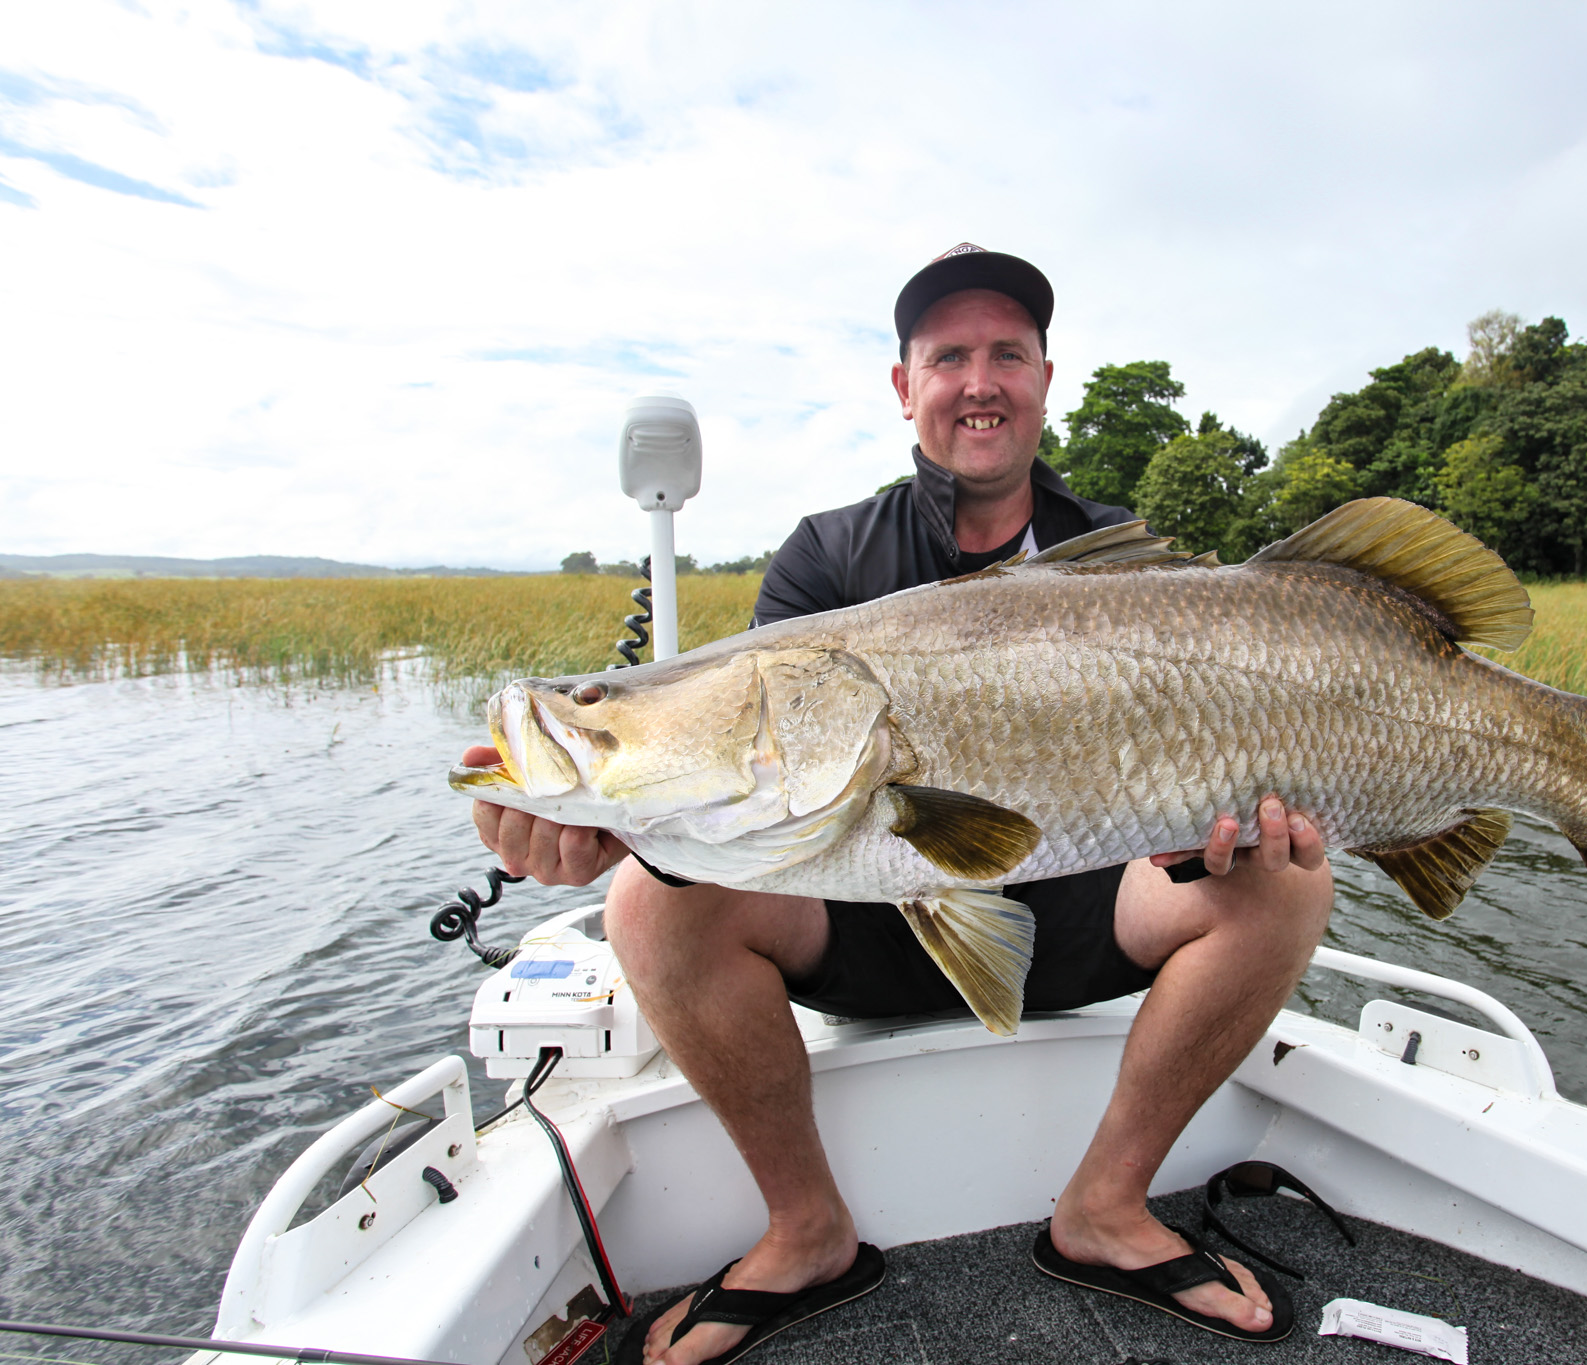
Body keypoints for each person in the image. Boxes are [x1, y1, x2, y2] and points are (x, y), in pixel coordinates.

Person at [462, 245, 1334, 1365]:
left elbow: (1170, 810)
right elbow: (756, 792)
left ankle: (1107, 1208)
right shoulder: (826, 557)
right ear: (903, 386)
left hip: (1077, 904)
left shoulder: (1120, 561)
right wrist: (631, 827)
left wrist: (1214, 844)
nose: (980, 381)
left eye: (1006, 353)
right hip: (858, 913)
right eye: (948, 356)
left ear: (1045, 378)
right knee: (645, 902)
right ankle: (806, 1232)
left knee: (1287, 884)